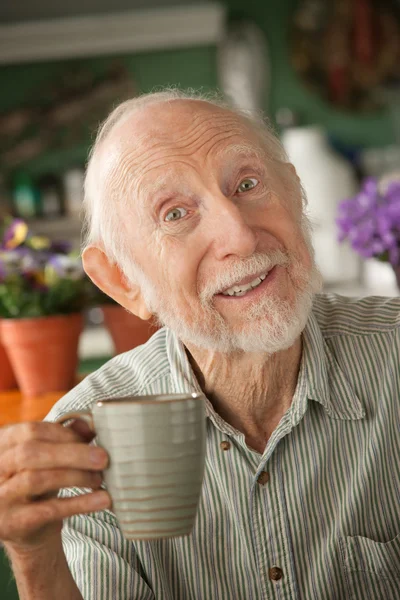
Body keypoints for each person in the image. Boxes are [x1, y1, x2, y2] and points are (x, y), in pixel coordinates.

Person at [1, 89, 399, 600]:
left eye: (248, 184)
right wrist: (35, 553)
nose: (241, 235)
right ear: (124, 281)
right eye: (175, 214)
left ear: (297, 197)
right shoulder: (84, 447)